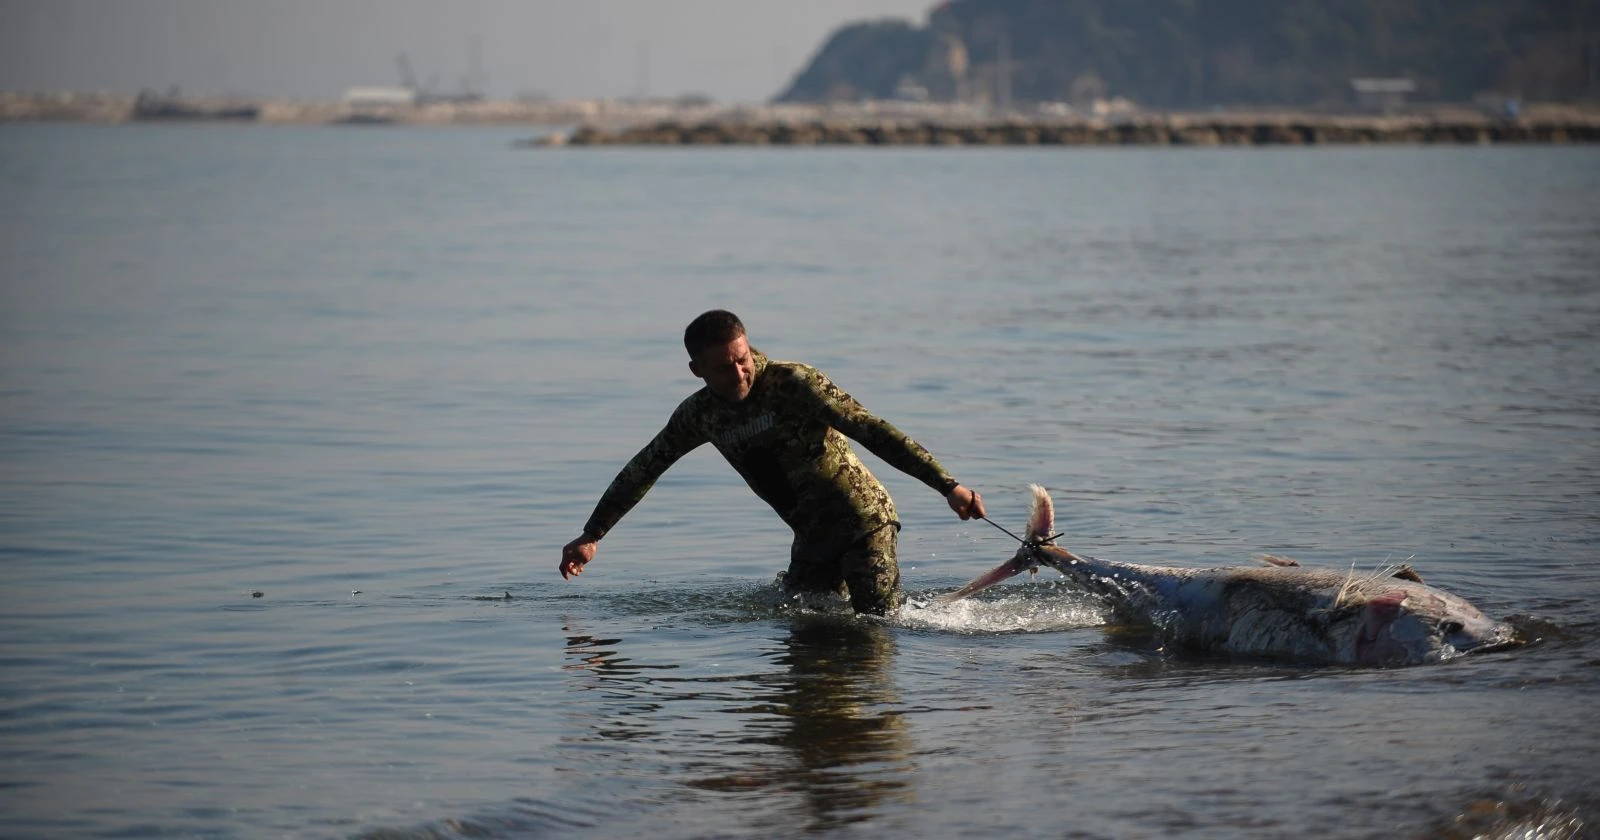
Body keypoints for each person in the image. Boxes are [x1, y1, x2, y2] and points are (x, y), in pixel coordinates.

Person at [559, 309, 986, 615]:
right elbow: (644, 467)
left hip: (864, 521)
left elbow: (871, 429)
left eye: (743, 360)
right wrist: (592, 533)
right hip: (812, 539)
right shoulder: (699, 415)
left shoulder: (793, 383)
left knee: (875, 629)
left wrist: (948, 486)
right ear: (697, 370)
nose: (740, 374)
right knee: (802, 633)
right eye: (725, 368)